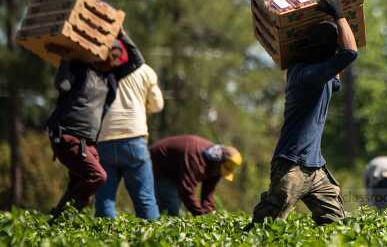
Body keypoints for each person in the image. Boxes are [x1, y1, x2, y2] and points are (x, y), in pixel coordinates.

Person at [246, 0, 358, 229]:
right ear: (328, 51)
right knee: (266, 226)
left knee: (336, 225)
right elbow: (350, 54)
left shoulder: (321, 74)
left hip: (315, 167)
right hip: (291, 166)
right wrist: (339, 14)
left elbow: (339, 70)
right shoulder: (305, 75)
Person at [46, 29, 142, 219]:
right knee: (98, 177)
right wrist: (66, 59)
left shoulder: (111, 78)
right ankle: (61, 218)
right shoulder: (81, 68)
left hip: (88, 143)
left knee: (81, 190)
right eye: (111, 54)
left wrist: (122, 33)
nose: (114, 60)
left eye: (117, 57)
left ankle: (57, 224)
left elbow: (137, 61)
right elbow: (62, 86)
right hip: (67, 136)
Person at [94, 31, 164, 220]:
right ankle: (152, 242)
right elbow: (157, 105)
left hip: (104, 141)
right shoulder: (145, 70)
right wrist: (142, 107)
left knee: (104, 200)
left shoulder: (99, 72)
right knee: (145, 199)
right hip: (134, 139)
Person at [149, 134, 242, 216]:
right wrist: (199, 214)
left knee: (175, 205)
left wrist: (209, 215)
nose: (221, 173)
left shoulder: (217, 167)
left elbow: (208, 193)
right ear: (219, 160)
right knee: (171, 208)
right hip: (159, 164)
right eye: (224, 169)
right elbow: (186, 189)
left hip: (176, 171)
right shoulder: (195, 157)